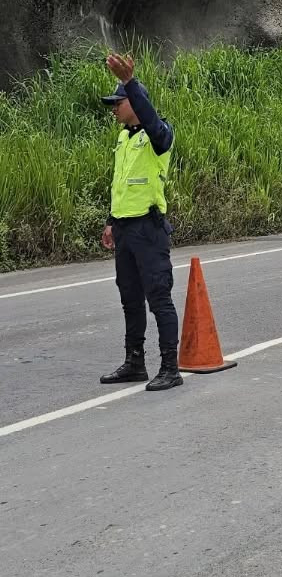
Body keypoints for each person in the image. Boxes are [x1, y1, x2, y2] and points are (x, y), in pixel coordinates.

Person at [98, 54, 183, 392]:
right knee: (129, 298)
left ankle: (170, 367)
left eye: (119, 102)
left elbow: (152, 121)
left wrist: (131, 83)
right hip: (124, 229)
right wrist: (110, 221)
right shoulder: (124, 139)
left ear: (135, 102)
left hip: (148, 230)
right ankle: (135, 362)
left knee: (159, 297)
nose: (114, 108)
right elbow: (121, 182)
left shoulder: (158, 136)